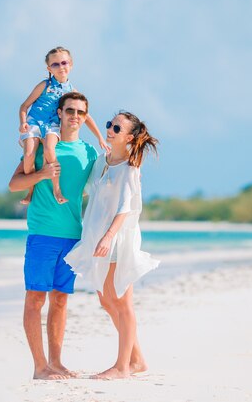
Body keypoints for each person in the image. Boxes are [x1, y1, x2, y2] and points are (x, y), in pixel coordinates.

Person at [9, 92, 99, 380]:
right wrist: (42, 174)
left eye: (81, 112)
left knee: (61, 300)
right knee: (36, 298)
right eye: (70, 110)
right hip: (42, 234)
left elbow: (105, 185)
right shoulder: (41, 147)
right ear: (59, 113)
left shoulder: (89, 153)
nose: (75, 116)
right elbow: (14, 184)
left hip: (73, 235)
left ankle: (56, 363)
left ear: (86, 118)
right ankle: (39, 367)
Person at [64, 111, 160, 380]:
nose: (110, 130)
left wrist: (108, 236)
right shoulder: (100, 161)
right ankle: (137, 359)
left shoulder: (130, 168)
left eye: (116, 128)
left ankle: (122, 367)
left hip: (117, 239)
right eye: (109, 125)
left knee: (121, 301)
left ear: (129, 137)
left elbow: (125, 208)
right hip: (96, 237)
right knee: (106, 300)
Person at [19, 46, 108, 205]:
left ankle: (56, 189)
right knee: (28, 156)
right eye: (55, 64)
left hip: (52, 125)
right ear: (49, 68)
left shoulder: (70, 91)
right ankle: (30, 190)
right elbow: (24, 106)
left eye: (64, 63)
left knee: (49, 151)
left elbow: (86, 115)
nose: (61, 67)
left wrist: (100, 137)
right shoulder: (44, 85)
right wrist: (23, 123)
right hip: (34, 123)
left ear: (71, 65)